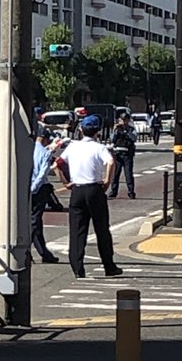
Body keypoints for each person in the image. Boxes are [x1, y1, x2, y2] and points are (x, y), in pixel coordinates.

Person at [56, 114, 122, 279]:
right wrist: (107, 180)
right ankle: (109, 266)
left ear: (80, 130)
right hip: (94, 189)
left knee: (77, 231)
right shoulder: (99, 148)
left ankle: (78, 268)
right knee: (102, 229)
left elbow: (57, 164)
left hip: (77, 190)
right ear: (97, 132)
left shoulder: (72, 147)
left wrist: (65, 182)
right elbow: (111, 162)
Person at [31, 129, 59, 264]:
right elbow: (43, 174)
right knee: (35, 222)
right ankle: (26, 251)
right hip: (38, 189)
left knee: (31, 221)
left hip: (23, 189)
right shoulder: (44, 153)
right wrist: (34, 188)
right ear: (45, 139)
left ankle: (43, 253)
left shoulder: (27, 148)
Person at [109, 112, 137, 199]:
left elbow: (134, 138)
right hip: (117, 153)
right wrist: (114, 130)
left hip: (127, 154)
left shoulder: (131, 129)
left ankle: (131, 192)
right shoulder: (117, 129)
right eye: (122, 119)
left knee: (128, 174)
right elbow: (112, 139)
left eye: (125, 120)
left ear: (128, 120)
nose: (123, 122)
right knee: (115, 174)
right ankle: (113, 191)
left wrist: (127, 131)